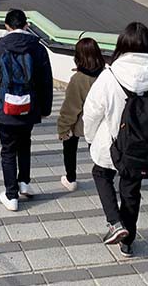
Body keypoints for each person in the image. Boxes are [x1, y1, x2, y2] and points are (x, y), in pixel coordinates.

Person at [83, 22, 148, 258]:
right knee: (131, 191)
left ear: (121, 45)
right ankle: (128, 242)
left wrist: (91, 138)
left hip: (110, 144)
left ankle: (115, 222)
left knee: (101, 173)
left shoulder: (109, 76)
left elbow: (92, 112)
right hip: (140, 149)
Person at [0, 9, 53, 212]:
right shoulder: (38, 47)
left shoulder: (2, 45)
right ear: (26, 25)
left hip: (5, 106)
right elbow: (46, 81)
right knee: (25, 144)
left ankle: (11, 195)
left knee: (7, 150)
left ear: (7, 26)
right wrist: (45, 108)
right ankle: (24, 182)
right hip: (29, 105)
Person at [57, 37, 105, 192]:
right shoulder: (106, 75)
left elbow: (71, 108)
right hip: (102, 122)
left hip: (81, 122)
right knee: (98, 148)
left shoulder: (78, 79)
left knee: (69, 144)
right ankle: (105, 176)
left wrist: (63, 128)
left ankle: (71, 178)